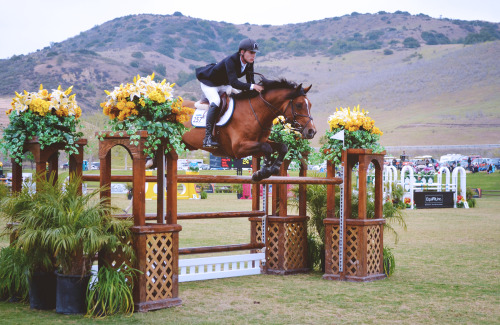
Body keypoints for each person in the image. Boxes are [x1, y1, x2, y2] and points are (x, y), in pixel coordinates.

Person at [196, 38, 264, 148]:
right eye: (251, 52)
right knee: (216, 102)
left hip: (224, 84)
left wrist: (257, 92)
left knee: (237, 98)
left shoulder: (249, 62)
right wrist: (252, 87)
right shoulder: (231, 61)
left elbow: (250, 81)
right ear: (242, 52)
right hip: (210, 83)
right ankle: (207, 138)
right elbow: (235, 82)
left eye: (255, 53)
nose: (253, 56)